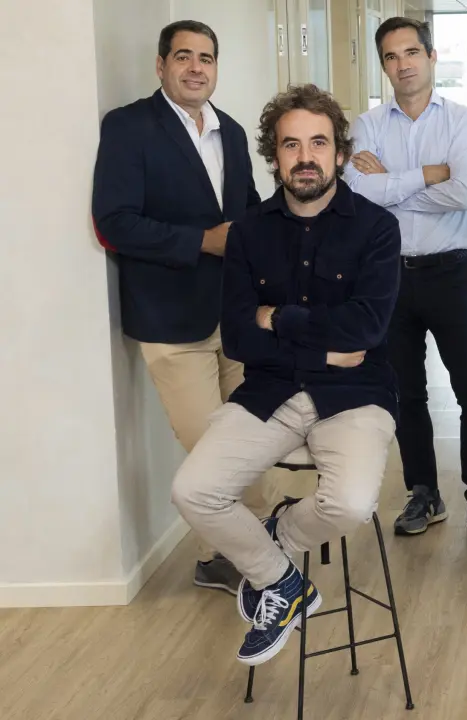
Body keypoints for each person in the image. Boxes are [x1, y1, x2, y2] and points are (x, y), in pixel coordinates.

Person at [171, 84, 401, 667]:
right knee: (193, 490)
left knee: (351, 503)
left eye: (318, 143)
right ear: (274, 156)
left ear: (339, 153)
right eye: (291, 145)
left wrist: (278, 318)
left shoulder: (377, 228)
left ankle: (279, 535)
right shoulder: (247, 232)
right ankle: (281, 581)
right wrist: (322, 353)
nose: (305, 157)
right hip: (270, 391)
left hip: (355, 395)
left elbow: (367, 329)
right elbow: (238, 337)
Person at [92, 20, 271, 595]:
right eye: (184, 57)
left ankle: (235, 554)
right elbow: (114, 222)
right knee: (212, 446)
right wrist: (200, 242)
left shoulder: (232, 132)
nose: (196, 68)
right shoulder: (129, 127)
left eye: (206, 58)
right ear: (161, 65)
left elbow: (248, 210)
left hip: (236, 314)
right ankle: (249, 559)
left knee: (250, 434)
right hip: (172, 319)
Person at [345, 16, 467, 546]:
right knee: (405, 394)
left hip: (450, 272)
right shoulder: (367, 125)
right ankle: (423, 492)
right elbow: (357, 194)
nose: (403, 64)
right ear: (383, 65)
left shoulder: (461, 120)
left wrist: (390, 184)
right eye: (391, 57)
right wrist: (426, 174)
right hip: (387, 278)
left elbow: (462, 193)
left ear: (432, 57)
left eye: (412, 52)